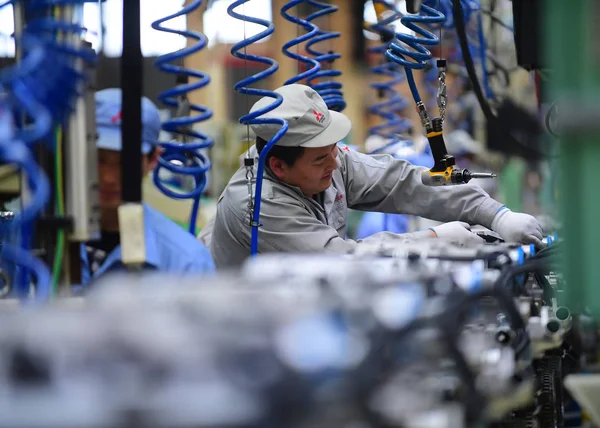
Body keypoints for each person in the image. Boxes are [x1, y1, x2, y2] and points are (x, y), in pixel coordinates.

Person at [208, 84, 544, 269]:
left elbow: (402, 182)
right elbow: (341, 262)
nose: (336, 164)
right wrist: (432, 240)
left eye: (336, 149)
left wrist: (494, 214)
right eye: (321, 159)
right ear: (279, 167)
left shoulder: (329, 158)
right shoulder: (258, 205)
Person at [80, 88, 214, 285]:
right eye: (98, 159)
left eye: (124, 162)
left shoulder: (186, 264)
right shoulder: (30, 245)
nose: (108, 177)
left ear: (153, 159)